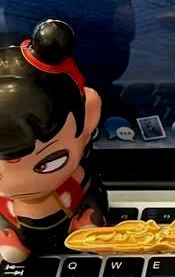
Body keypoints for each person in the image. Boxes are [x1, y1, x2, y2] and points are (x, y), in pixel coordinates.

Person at [0, 19, 107, 262]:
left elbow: (94, 195)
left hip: (68, 224)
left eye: (49, 162)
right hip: (19, 229)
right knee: (13, 253)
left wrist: (89, 216)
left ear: (89, 116)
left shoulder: (78, 181)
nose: (22, 182)